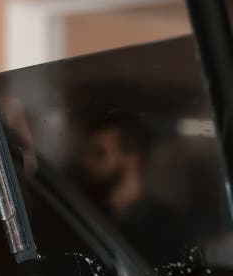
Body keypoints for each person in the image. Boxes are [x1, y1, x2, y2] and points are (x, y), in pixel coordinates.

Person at [78, 110, 188, 265]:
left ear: (132, 159)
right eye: (87, 153)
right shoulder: (83, 215)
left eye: (99, 153)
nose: (87, 162)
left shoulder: (168, 228)